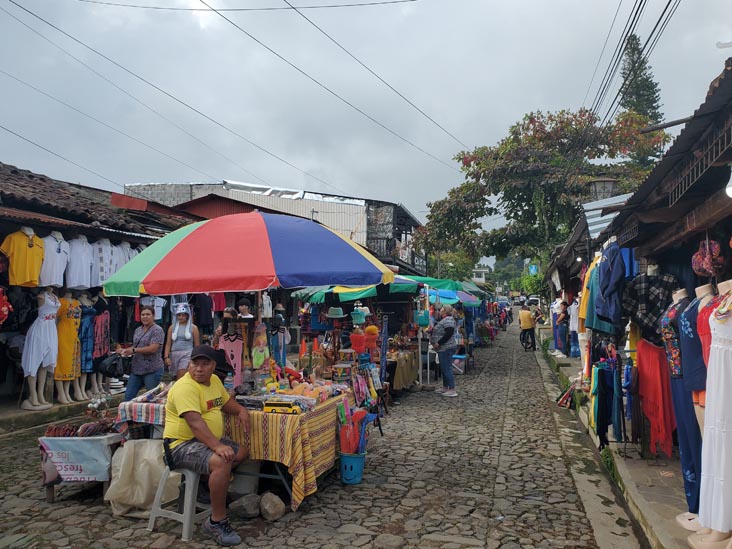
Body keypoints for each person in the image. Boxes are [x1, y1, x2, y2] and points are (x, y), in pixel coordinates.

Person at [163, 345, 250, 547]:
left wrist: (240, 410)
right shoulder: (185, 387)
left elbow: (225, 402)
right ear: (189, 364)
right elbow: (195, 422)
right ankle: (216, 522)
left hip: (202, 442)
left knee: (242, 452)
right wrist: (217, 446)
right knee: (222, 461)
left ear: (214, 367)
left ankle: (203, 486)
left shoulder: (215, 382)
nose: (199, 369)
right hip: (179, 445)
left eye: (205, 364)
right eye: (195, 364)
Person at [120, 305, 165, 401]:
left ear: (153, 316)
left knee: (152, 398)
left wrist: (134, 350)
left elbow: (153, 349)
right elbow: (136, 346)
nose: (145, 317)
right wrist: (125, 350)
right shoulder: (138, 330)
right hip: (136, 369)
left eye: (148, 314)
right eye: (143, 314)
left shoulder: (157, 330)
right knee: (128, 397)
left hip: (152, 368)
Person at [164, 304, 201, 380]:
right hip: (174, 354)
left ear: (187, 316)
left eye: (183, 315)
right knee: (175, 377)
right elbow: (168, 344)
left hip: (187, 354)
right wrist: (166, 357)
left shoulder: (194, 328)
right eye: (179, 315)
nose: (181, 317)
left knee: (181, 376)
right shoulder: (172, 327)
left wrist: (195, 358)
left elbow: (197, 345)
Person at [431, 304, 458, 397]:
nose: (440, 309)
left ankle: (452, 388)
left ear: (445, 311)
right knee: (444, 368)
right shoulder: (444, 320)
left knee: (446, 368)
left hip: (446, 347)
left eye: (442, 308)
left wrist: (439, 343)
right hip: (443, 348)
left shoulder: (448, 320)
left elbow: (449, 333)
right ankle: (445, 387)